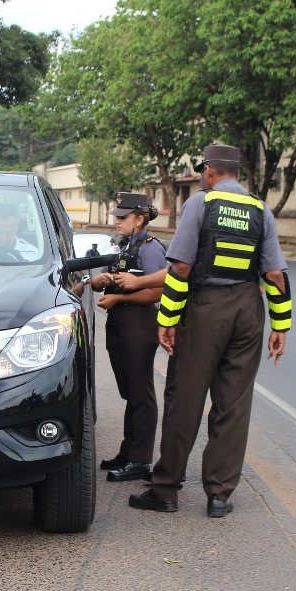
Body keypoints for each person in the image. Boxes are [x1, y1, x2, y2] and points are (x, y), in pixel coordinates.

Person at [127, 144, 292, 518]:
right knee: (233, 403)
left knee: (185, 396)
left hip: (206, 308)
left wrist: (167, 318)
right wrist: (281, 325)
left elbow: (181, 268)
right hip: (249, 309)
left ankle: (166, 488)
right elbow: (275, 275)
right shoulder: (260, 209)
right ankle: (219, 494)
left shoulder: (201, 205)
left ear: (210, 172)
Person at [88, 192, 168, 482]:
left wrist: (120, 299)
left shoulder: (150, 248)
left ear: (140, 219)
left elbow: (161, 289)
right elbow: (100, 282)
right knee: (129, 391)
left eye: (123, 218)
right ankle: (128, 451)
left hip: (138, 322)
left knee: (140, 391)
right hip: (119, 322)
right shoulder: (123, 246)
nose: (117, 222)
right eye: (117, 217)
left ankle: (140, 459)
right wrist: (102, 281)